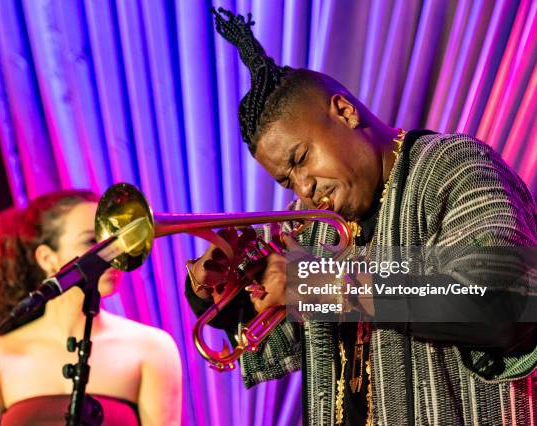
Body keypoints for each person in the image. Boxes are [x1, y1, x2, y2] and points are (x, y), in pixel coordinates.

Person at [185, 8, 536, 425]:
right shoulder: (309, 223)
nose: (303, 189)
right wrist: (222, 292)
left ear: (344, 110)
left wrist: (321, 284)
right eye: (287, 181)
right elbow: (273, 343)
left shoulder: (453, 166)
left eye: (301, 159)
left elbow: (499, 300)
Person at [0, 190, 182, 426]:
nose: (111, 253)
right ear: (47, 258)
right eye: (91, 241)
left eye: (113, 240)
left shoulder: (152, 348)